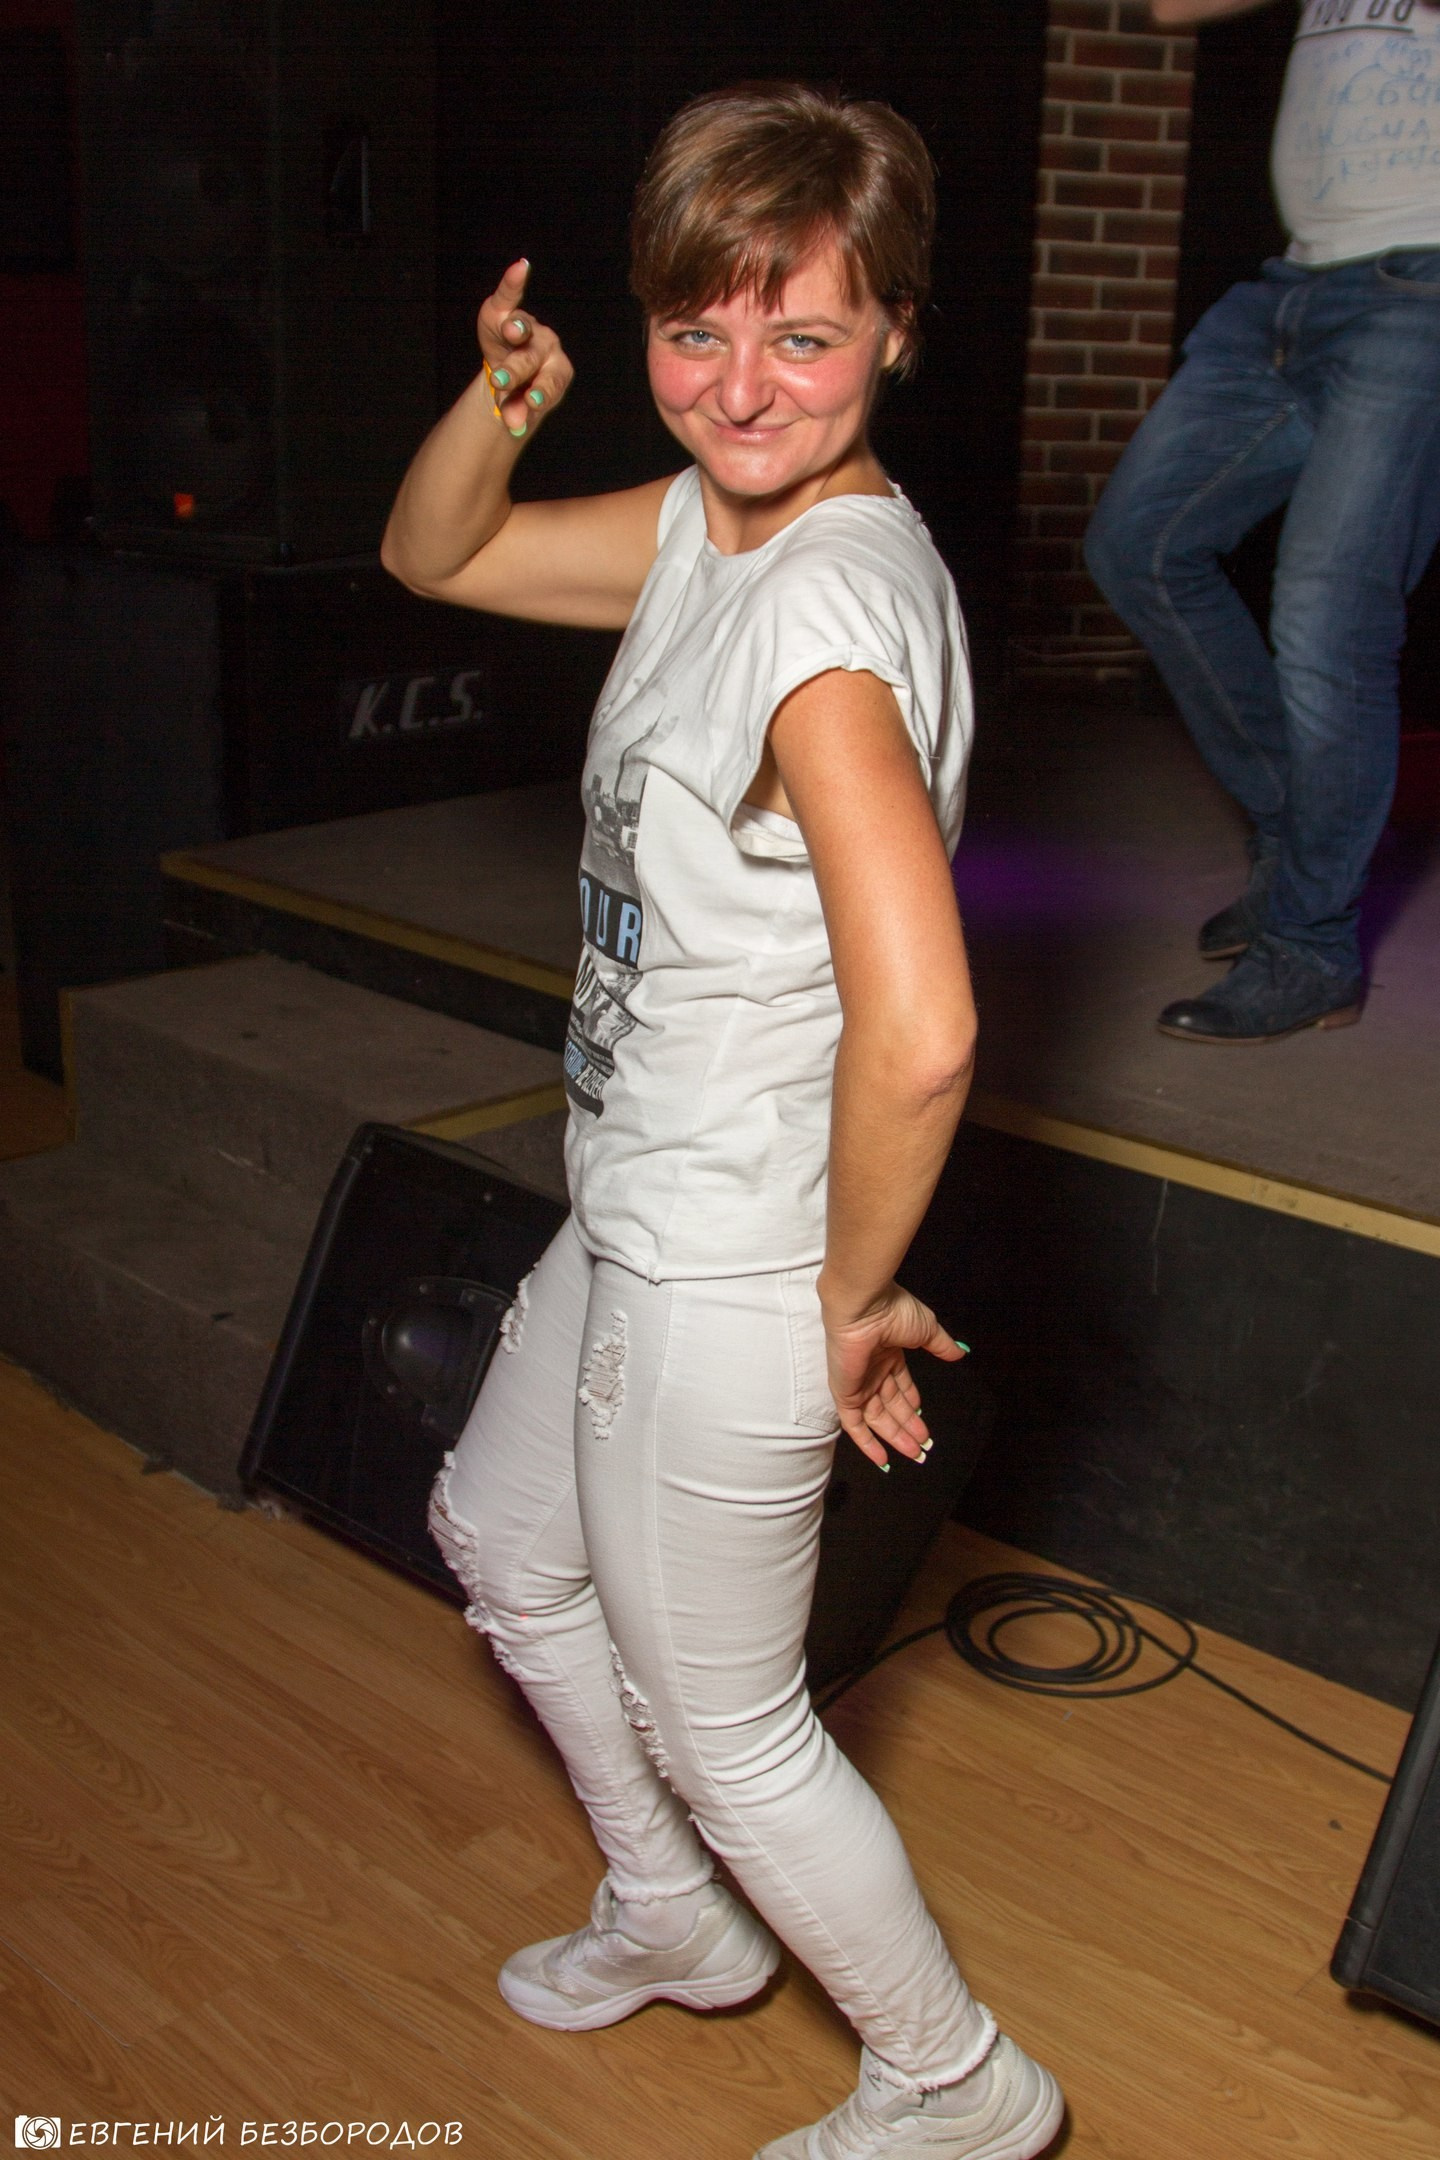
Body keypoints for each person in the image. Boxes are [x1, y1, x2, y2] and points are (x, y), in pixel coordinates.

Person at [381, 83, 1064, 2160]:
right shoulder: (709, 524)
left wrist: (848, 1296)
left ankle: (960, 2084)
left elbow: (925, 1032)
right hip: (645, 1190)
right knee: (505, 1542)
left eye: (806, 333)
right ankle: (677, 1916)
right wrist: (507, 400)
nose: (742, 385)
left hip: (735, 1250)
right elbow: (438, 551)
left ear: (900, 331)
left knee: (731, 1723)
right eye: (698, 331)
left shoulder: (823, 628)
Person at [1084, 0, 1440, 1043]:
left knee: (1329, 622)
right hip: (1291, 287)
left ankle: (1311, 946)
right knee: (1139, 545)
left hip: (1424, 287)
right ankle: (1299, 840)